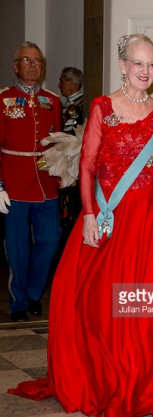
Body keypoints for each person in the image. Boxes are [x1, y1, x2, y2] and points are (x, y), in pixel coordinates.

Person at [8, 34, 153, 417]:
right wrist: (87, 214)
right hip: (111, 216)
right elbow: (87, 165)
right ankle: (112, 376)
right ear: (122, 66)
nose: (146, 72)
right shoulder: (102, 107)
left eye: (151, 65)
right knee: (99, 300)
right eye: (138, 63)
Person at [0, 41, 61, 322]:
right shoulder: (3, 99)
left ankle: (35, 293)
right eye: (26, 60)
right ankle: (19, 302)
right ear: (16, 66)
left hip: (46, 181)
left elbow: (59, 142)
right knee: (17, 246)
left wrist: (64, 170)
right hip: (13, 181)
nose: (33, 64)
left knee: (50, 240)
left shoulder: (53, 100)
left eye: (37, 60)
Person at [57, 67, 84, 248]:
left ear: (72, 83)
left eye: (62, 81)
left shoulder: (81, 105)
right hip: (64, 165)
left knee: (73, 209)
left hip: (75, 167)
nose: (59, 85)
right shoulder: (66, 105)